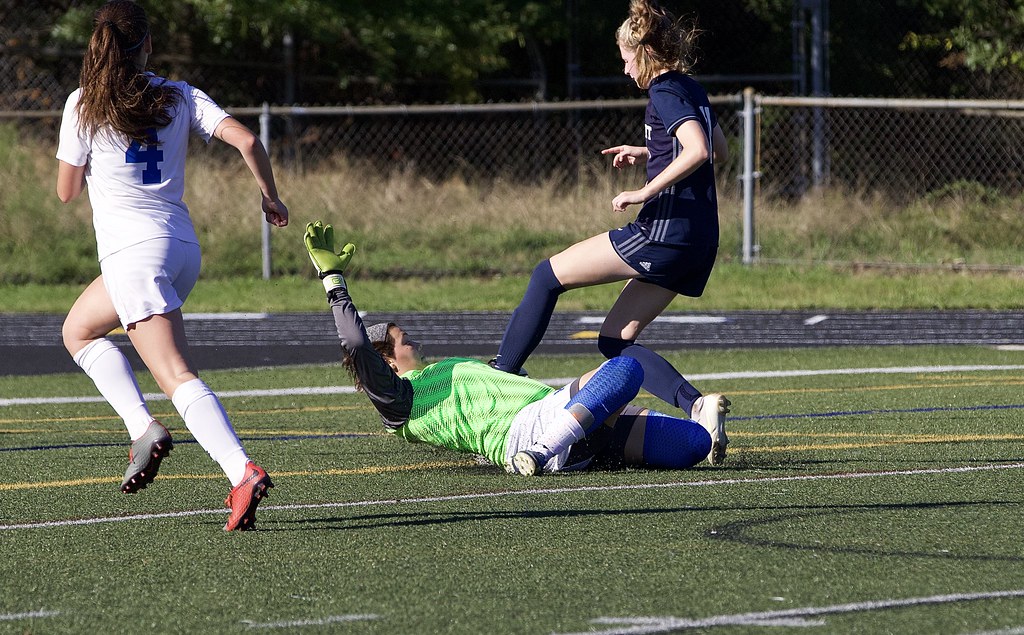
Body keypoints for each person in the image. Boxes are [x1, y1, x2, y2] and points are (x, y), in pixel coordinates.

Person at [55, 0, 286, 531]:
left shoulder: (84, 102)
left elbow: (67, 192)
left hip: (134, 256)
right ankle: (142, 428)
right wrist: (270, 197)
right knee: (78, 330)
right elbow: (247, 139)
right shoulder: (180, 95)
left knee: (176, 376)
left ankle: (240, 470)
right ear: (148, 45)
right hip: (181, 249)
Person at [489, 0, 732, 465]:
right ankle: (698, 407)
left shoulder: (662, 89)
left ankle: (502, 375)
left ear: (643, 52)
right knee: (616, 342)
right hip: (698, 240)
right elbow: (718, 147)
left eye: (625, 56)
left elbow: (699, 150)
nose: (623, 68)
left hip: (662, 231)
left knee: (546, 276)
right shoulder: (690, 87)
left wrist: (645, 189)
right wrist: (650, 151)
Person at [304, 221, 719, 476]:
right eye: (403, 339)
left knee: (694, 445)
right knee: (627, 369)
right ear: (387, 362)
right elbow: (356, 342)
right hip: (531, 431)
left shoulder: (442, 371)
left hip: (560, 415)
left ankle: (570, 443)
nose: (413, 340)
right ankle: (542, 453)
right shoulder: (399, 401)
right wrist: (334, 280)